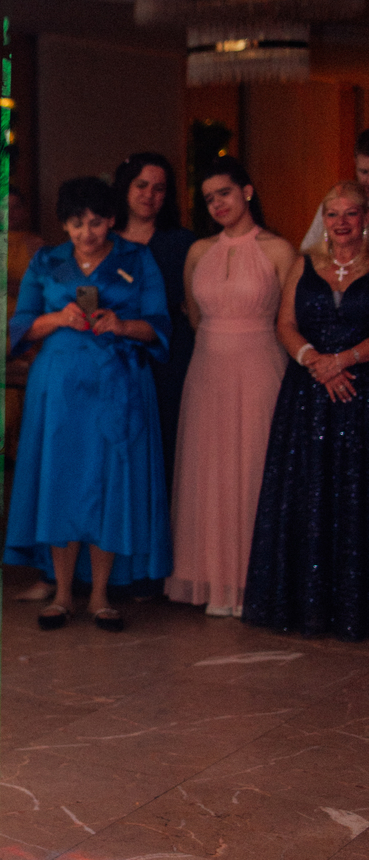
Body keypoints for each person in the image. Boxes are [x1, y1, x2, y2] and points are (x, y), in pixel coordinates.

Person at [4, 176, 171, 632]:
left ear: (112, 221)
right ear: (65, 224)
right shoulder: (48, 260)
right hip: (59, 391)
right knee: (62, 482)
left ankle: (100, 595)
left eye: (96, 223)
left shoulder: (137, 259)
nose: (86, 233)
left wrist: (121, 324)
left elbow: (159, 326)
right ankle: (61, 593)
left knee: (109, 483)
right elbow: (19, 329)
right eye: (77, 224)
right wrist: (57, 318)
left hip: (117, 386)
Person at [167, 159, 295, 617]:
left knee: (253, 469)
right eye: (209, 198)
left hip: (260, 364)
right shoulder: (199, 251)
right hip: (207, 370)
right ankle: (213, 580)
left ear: (247, 191)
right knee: (209, 471)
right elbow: (195, 318)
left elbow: (290, 319)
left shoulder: (280, 249)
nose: (217, 203)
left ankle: (255, 580)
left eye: (224, 193)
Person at [244, 181, 369, 641]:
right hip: (308, 396)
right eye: (332, 213)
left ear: (365, 218)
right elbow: (285, 323)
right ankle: (305, 606)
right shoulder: (304, 263)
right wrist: (315, 361)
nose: (341, 222)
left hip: (361, 394)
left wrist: (345, 360)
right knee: (309, 492)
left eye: (350, 213)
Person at [114, 152, 195, 495]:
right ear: (126, 188)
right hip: (114, 349)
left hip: (170, 351)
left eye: (159, 188)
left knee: (167, 437)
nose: (149, 194)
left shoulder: (183, 242)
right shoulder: (103, 238)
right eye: (141, 185)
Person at [298, 129, 369, 252]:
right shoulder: (336, 203)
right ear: (355, 163)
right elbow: (307, 251)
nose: (368, 180)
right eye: (364, 172)